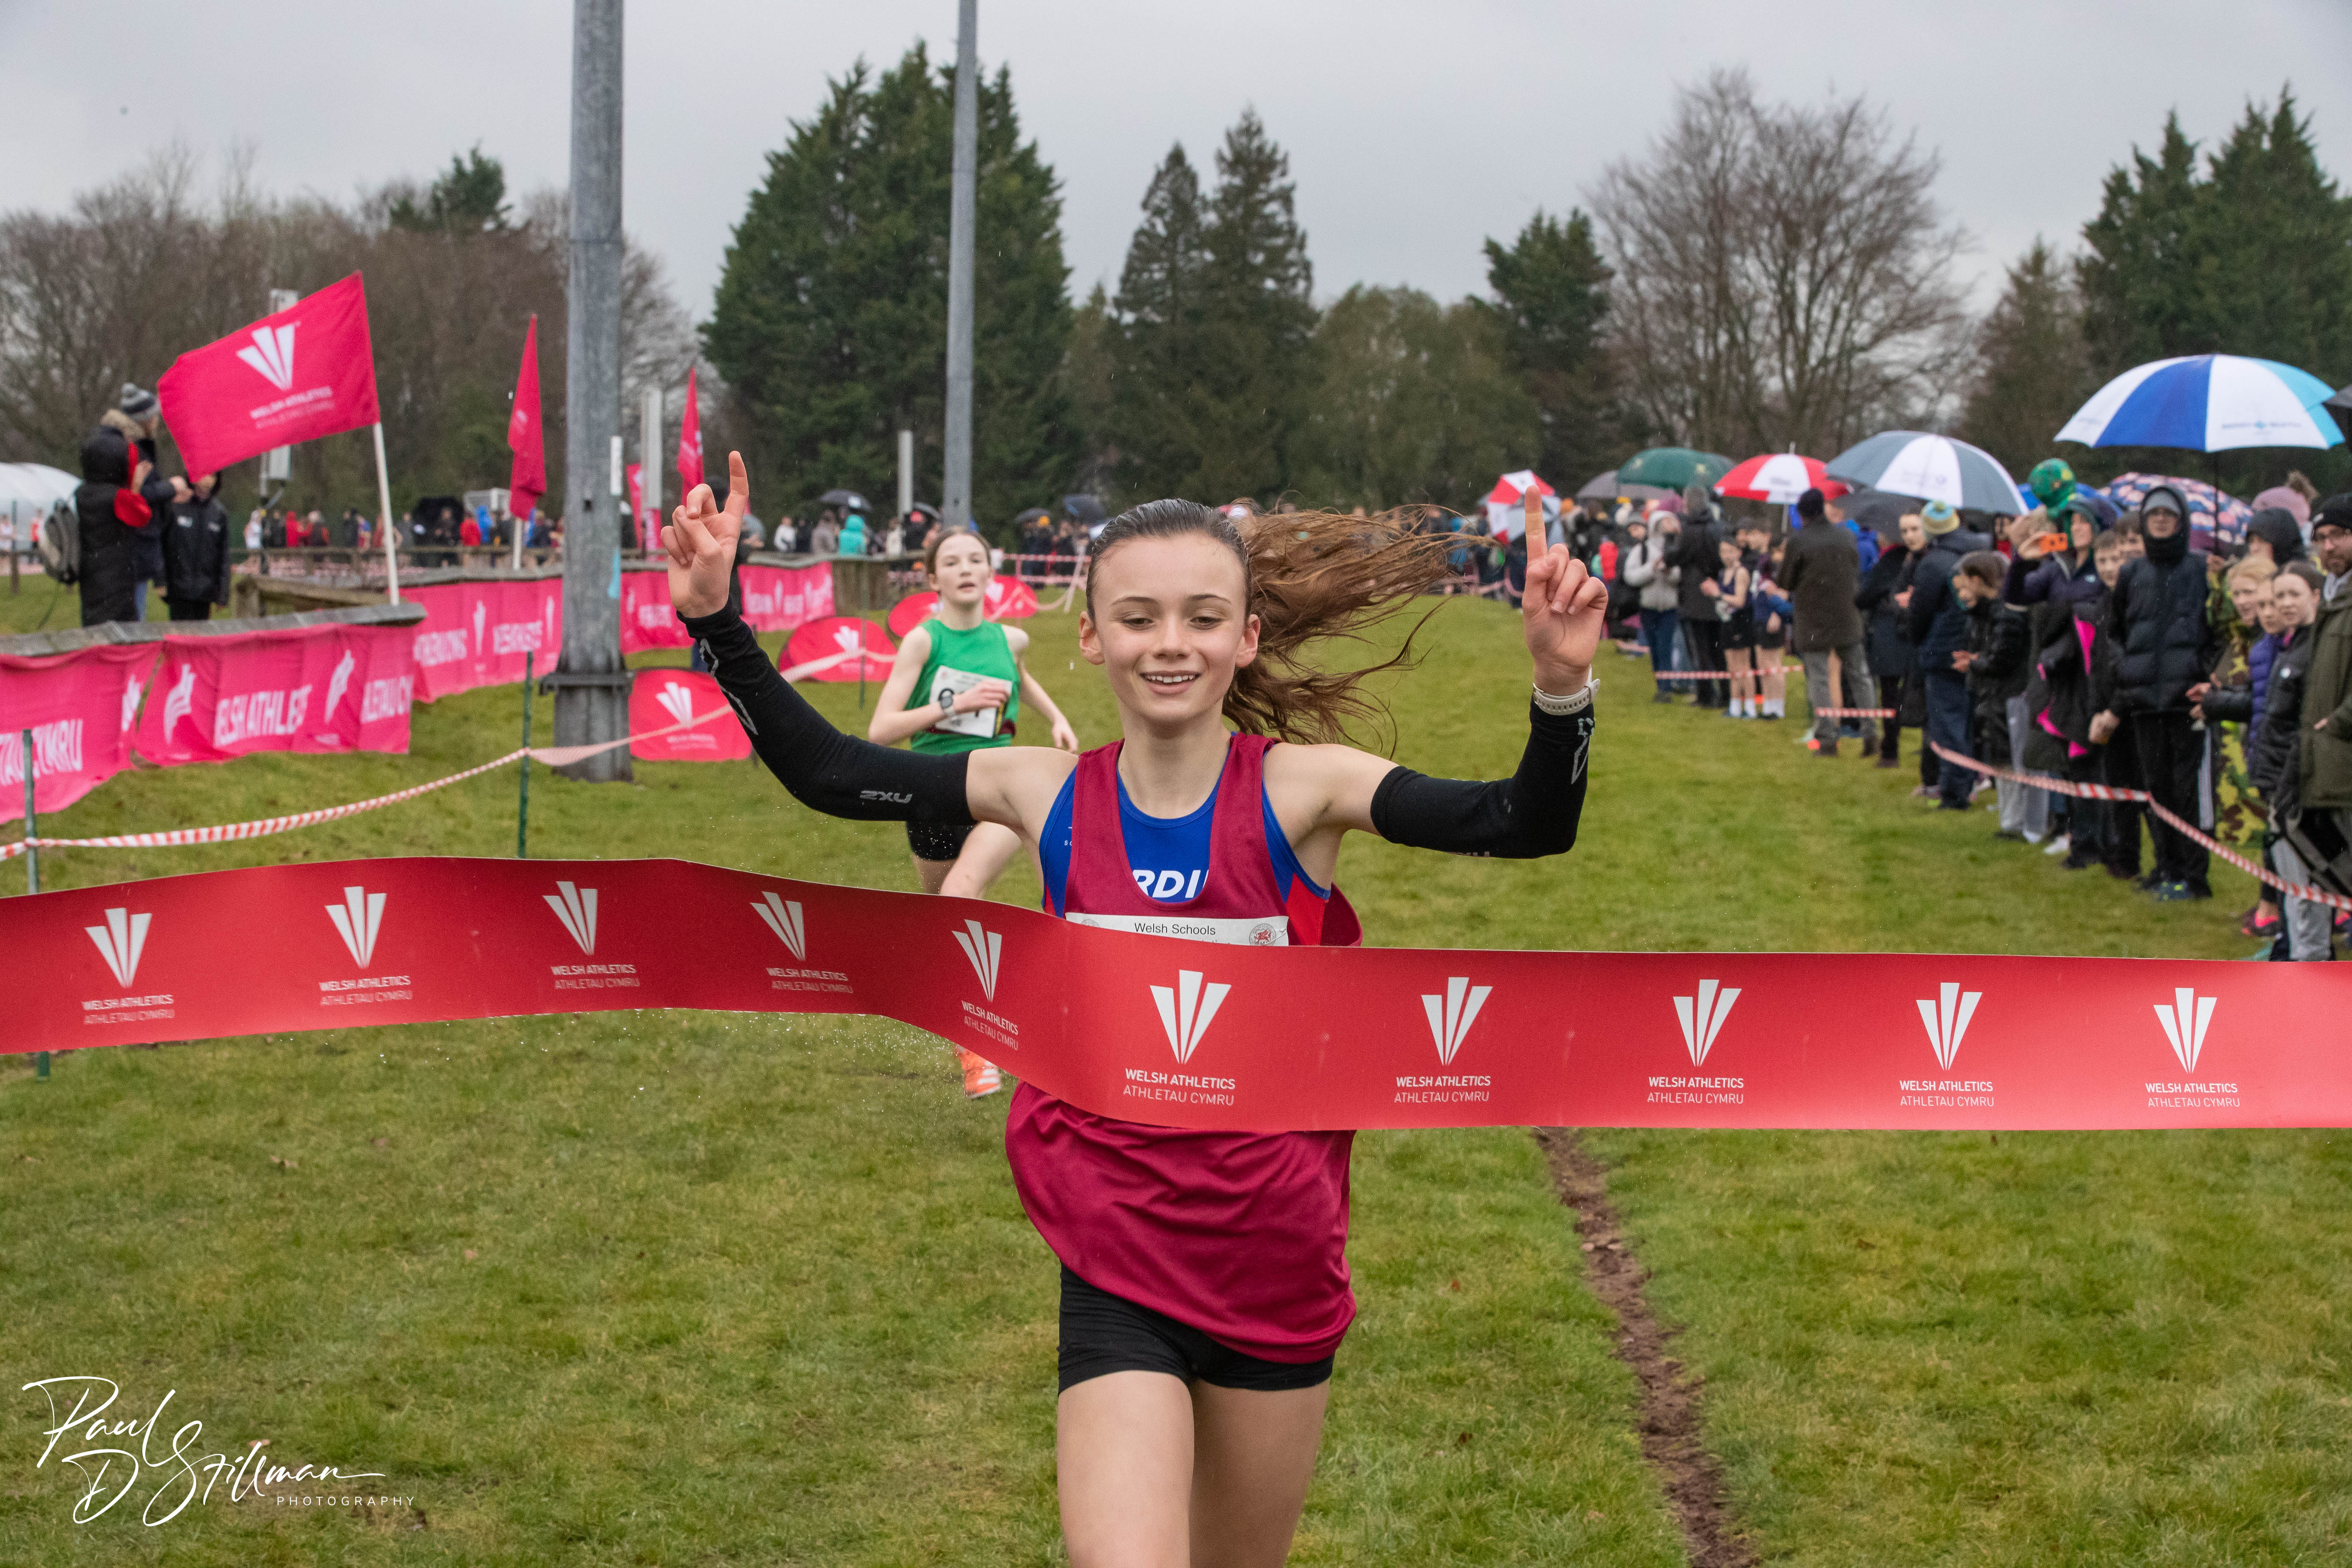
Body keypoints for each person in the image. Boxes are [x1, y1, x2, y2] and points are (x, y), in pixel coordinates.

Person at [665, 452, 1602, 1566]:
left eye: (1204, 618)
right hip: (1118, 1258)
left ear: (1245, 637)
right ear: (1094, 639)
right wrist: (718, 619)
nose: (1173, 642)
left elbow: (1521, 822)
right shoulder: (1041, 791)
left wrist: (1560, 688)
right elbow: (828, 772)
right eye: (1141, 617)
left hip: (1277, 1263)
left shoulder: (1305, 790)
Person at [873, 529, 1082, 1097]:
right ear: (932, 578)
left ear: (991, 573)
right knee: (948, 925)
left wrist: (1057, 718)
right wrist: (955, 706)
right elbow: (881, 730)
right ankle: (978, 1030)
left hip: (998, 790)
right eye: (952, 561)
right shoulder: (922, 642)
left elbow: (1022, 678)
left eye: (976, 559)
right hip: (932, 794)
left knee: (961, 895)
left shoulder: (1008, 638)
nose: (966, 569)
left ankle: (1005, 1044)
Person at [2095, 486, 2217, 900]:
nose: (2161, 521)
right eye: (2154, 515)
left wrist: (2209, 676)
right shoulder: (2132, 574)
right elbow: (2116, 633)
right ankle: (2166, 867)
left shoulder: (2201, 570)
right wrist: (2127, 673)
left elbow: (2217, 631)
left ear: (2182, 520)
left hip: (2189, 702)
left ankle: (2194, 876)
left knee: (2188, 794)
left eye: (2169, 514)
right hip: (2145, 702)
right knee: (2156, 791)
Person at [74, 383, 185, 627]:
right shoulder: (130, 452)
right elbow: (139, 505)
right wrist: (171, 487)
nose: (157, 420)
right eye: (153, 416)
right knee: (131, 625)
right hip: (133, 554)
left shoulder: (88, 493)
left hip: (121, 562)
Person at [1907, 501, 1992, 809]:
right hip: (1978, 647)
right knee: (1967, 721)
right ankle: (1965, 783)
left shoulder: (1934, 563)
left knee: (1948, 724)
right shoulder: (1983, 552)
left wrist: (1919, 641)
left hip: (1945, 650)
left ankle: (1954, 793)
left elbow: (1921, 611)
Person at [1781, 487, 1876, 756]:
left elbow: (1786, 581)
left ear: (1802, 514)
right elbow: (1855, 571)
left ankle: (1827, 739)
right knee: (1860, 676)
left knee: (1820, 679)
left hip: (1813, 621)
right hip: (1847, 617)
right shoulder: (1847, 536)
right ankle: (1870, 731)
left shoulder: (1799, 541)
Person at [1857, 514, 1923, 774]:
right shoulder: (1923, 558)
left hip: (1890, 634)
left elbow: (1863, 596)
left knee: (1890, 694)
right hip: (1913, 634)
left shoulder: (1890, 560)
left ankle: (1890, 749)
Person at [1672, 484, 1728, 708]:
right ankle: (1726, 694)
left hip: (1696, 596)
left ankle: (1706, 695)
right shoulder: (1718, 528)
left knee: (1701, 650)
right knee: (1718, 650)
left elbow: (1675, 557)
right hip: (1716, 593)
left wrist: (1672, 538)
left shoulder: (1690, 531)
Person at [1620, 508, 1681, 702]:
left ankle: (1666, 688)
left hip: (1670, 608)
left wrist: (1669, 571)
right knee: (1654, 648)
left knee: (1665, 646)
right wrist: (1651, 570)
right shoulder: (1643, 550)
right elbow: (1630, 576)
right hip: (1648, 607)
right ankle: (1661, 684)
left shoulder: (1675, 549)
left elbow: (1681, 577)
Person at [159, 473, 231, 621]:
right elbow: (163, 545)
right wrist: (160, 580)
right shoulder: (176, 506)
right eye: (205, 474)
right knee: (180, 639)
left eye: (213, 476)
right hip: (178, 590)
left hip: (205, 593)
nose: (209, 480)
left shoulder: (219, 514)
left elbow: (224, 557)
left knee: (199, 641)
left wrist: (223, 594)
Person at [1701, 532, 1757, 718]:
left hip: (1742, 622)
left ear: (1739, 553)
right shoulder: (1724, 572)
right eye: (1723, 552)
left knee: (1744, 667)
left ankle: (1750, 707)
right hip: (1727, 622)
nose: (1727, 556)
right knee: (1732, 667)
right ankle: (1734, 706)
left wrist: (1717, 594)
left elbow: (1740, 601)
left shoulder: (1741, 572)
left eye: (1731, 551)